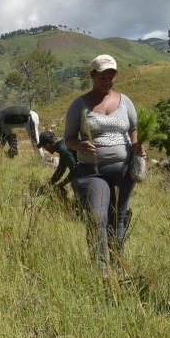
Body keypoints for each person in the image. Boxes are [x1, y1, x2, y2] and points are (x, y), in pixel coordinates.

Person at [64, 54, 144, 273]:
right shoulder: (79, 105)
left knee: (118, 219)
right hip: (92, 172)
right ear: (92, 75)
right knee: (98, 218)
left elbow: (134, 128)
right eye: (103, 76)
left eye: (111, 76)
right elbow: (68, 138)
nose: (107, 80)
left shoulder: (125, 101)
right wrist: (80, 145)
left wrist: (136, 147)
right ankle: (101, 272)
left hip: (124, 171)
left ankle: (119, 267)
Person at [38, 130, 77, 197]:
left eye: (44, 147)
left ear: (47, 145)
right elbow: (61, 169)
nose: (45, 150)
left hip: (90, 169)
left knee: (76, 182)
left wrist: (61, 184)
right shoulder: (61, 146)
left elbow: (75, 171)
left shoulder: (62, 149)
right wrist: (49, 184)